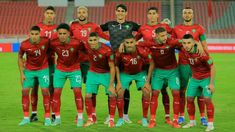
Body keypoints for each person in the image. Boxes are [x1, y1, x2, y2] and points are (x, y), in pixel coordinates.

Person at [100, 3, 140, 124]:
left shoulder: (131, 25)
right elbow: (95, 28)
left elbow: (144, 30)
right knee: (111, 86)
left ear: (126, 13)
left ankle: (125, 115)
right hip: (112, 58)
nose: (121, 12)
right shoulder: (110, 24)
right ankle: (110, 115)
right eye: (119, 10)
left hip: (126, 59)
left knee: (125, 87)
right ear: (116, 12)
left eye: (123, 11)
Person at [70, 6, 109, 123]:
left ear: (87, 14)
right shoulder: (72, 26)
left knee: (91, 89)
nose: (81, 14)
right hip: (75, 61)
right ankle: (80, 113)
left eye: (83, 12)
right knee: (77, 89)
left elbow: (104, 36)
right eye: (79, 12)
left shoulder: (94, 26)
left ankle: (93, 114)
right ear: (77, 14)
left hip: (89, 61)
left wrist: (119, 41)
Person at [135, 6, 172, 124]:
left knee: (164, 90)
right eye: (149, 13)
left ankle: (167, 117)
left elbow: (174, 36)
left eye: (153, 13)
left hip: (162, 63)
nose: (151, 15)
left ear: (157, 15)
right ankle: (145, 118)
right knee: (146, 90)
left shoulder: (164, 27)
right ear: (147, 15)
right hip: (147, 63)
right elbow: (134, 41)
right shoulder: (143, 28)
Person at [172, 7, 208, 125]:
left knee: (200, 91)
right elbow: (172, 43)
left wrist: (207, 60)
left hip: (197, 65)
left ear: (192, 15)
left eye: (189, 13)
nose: (187, 15)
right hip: (183, 65)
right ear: (182, 15)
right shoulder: (176, 29)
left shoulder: (199, 28)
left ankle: (202, 117)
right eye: (185, 13)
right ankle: (182, 115)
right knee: (182, 91)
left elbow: (204, 46)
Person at [115, 34, 154, 127]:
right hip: (125, 74)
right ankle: (121, 119)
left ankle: (144, 118)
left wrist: (148, 82)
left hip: (140, 73)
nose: (129, 45)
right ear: (123, 43)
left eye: (131, 42)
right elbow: (116, 66)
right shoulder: (120, 52)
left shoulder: (141, 51)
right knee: (120, 93)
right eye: (127, 43)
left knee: (147, 92)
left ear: (135, 42)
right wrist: (119, 82)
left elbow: (152, 63)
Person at [50, 23, 84, 127]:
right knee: (56, 93)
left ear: (69, 33)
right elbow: (46, 53)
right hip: (60, 70)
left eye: (64, 33)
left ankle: (80, 118)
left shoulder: (76, 43)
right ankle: (57, 118)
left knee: (77, 92)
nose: (62, 36)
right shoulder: (53, 43)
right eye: (60, 33)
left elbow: (86, 52)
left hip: (75, 70)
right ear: (57, 34)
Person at [181, 34, 215, 132]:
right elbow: (176, 41)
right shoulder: (183, 50)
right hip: (194, 78)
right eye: (184, 43)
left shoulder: (202, 54)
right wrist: (196, 42)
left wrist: (211, 84)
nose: (186, 45)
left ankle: (210, 124)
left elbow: (212, 67)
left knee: (207, 99)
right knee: (190, 98)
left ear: (193, 43)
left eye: (188, 43)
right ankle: (192, 121)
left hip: (206, 78)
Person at [18, 26, 51, 126]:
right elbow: (20, 57)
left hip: (43, 69)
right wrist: (22, 73)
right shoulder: (24, 44)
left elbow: (54, 48)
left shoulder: (46, 41)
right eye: (32, 34)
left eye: (36, 34)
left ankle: (47, 118)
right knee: (24, 91)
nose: (34, 36)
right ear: (29, 34)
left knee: (45, 91)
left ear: (39, 34)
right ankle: (26, 118)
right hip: (29, 70)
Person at [82, 32, 116, 128]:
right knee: (88, 95)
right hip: (93, 73)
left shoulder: (107, 50)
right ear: (88, 41)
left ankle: (111, 119)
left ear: (98, 40)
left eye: (94, 40)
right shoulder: (86, 46)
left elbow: (112, 67)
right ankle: (90, 119)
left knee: (112, 94)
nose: (92, 42)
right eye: (90, 40)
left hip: (106, 73)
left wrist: (111, 84)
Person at [30, 6, 58, 122]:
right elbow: (31, 43)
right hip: (36, 63)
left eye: (52, 13)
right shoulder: (38, 27)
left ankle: (52, 114)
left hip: (50, 63)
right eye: (48, 13)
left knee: (50, 88)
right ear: (44, 14)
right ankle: (34, 114)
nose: (50, 15)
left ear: (54, 15)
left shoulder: (57, 29)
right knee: (35, 87)